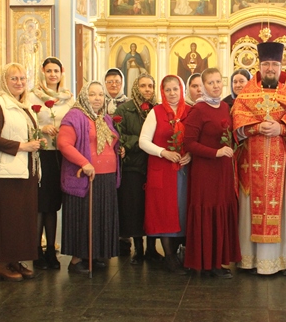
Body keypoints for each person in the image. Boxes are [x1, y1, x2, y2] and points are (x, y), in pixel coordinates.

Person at [231, 42, 286, 275]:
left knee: (278, 209)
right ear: (260, 66)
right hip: (250, 163)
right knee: (250, 210)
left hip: (280, 163)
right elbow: (236, 124)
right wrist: (256, 127)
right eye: (266, 64)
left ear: (281, 65)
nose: (271, 69)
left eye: (275, 64)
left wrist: (281, 129)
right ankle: (249, 260)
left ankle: (282, 261)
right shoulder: (247, 93)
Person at [0, 62, 44, 282]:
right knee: (7, 219)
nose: (19, 83)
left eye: (22, 78)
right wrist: (22, 146)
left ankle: (16, 260)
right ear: (4, 81)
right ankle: (3, 264)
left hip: (26, 170)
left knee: (22, 219)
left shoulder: (25, 105)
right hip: (6, 172)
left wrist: (34, 144)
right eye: (14, 79)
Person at [183, 68, 241, 277]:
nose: (216, 86)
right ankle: (206, 264)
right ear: (203, 86)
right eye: (211, 83)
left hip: (223, 170)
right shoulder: (198, 110)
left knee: (222, 209)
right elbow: (188, 142)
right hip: (205, 171)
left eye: (218, 81)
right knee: (207, 212)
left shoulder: (225, 106)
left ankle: (218, 262)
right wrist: (215, 152)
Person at [58, 82, 120, 273]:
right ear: (84, 96)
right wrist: (84, 163)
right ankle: (77, 259)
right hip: (86, 177)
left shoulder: (104, 118)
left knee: (101, 217)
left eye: (100, 95)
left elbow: (111, 141)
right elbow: (64, 144)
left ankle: (95, 254)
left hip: (106, 178)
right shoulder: (74, 116)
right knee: (83, 217)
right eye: (92, 94)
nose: (97, 98)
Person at [140, 76, 192, 274]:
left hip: (184, 171)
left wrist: (191, 154)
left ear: (182, 89)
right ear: (163, 92)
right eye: (167, 90)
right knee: (164, 212)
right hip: (162, 169)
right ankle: (169, 257)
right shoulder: (156, 112)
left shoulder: (190, 111)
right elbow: (143, 141)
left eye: (175, 89)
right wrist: (164, 152)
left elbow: (196, 139)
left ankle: (183, 253)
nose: (172, 93)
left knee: (182, 210)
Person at [28, 57, 74, 270]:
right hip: (41, 154)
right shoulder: (32, 96)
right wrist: (42, 128)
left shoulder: (68, 99)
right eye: (49, 71)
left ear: (62, 72)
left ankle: (50, 252)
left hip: (60, 156)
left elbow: (75, 123)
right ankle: (36, 250)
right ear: (43, 72)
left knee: (53, 205)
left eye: (56, 70)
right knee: (39, 205)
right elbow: (26, 123)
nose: (53, 74)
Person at [114, 73, 160, 263]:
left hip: (154, 164)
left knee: (152, 207)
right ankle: (138, 249)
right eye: (143, 86)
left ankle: (152, 248)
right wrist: (140, 142)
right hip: (133, 166)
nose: (147, 90)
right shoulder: (125, 109)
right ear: (136, 87)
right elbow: (118, 135)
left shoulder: (158, 109)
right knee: (134, 208)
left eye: (150, 86)